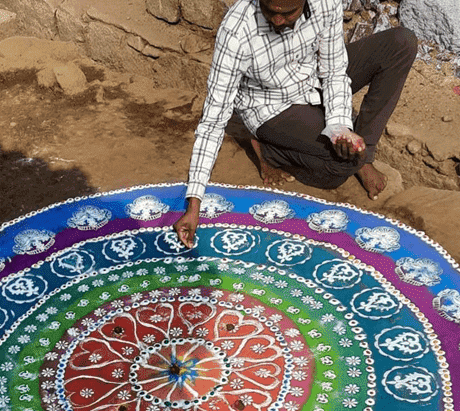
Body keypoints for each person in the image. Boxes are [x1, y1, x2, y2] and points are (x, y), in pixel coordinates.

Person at [173, 0, 418, 248]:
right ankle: (269, 149)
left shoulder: (326, 3)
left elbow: (334, 71)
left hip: (313, 80)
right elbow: (213, 121)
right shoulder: (237, 30)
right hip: (271, 106)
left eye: (288, 13)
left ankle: (364, 154)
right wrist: (194, 202)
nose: (278, 21)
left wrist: (341, 128)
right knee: (342, 165)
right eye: (270, 11)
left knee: (401, 43)